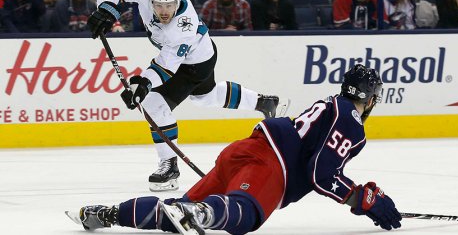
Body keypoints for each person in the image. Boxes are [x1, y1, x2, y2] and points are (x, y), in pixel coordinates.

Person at [69, 64, 402, 234]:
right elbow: (320, 173)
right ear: (370, 97)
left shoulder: (330, 105)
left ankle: (106, 213)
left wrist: (359, 195)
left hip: (244, 151)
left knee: (177, 214)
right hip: (272, 164)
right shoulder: (351, 122)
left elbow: (321, 165)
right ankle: (203, 212)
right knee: (247, 214)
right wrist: (362, 198)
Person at [87, 0, 288, 192]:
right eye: (158, 5)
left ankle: (170, 167)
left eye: (170, 5)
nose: (164, 11)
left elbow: (165, 67)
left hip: (193, 63)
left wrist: (143, 85)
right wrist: (107, 8)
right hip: (204, 52)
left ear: (178, 0)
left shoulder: (183, 27)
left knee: (154, 104)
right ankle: (262, 102)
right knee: (205, 97)